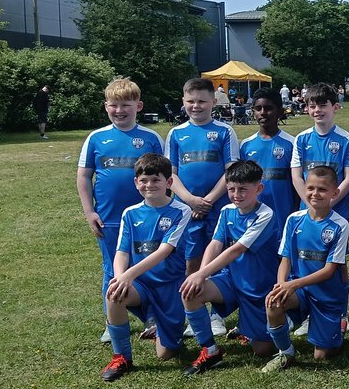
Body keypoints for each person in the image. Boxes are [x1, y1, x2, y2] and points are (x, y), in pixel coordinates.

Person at [78, 78, 165, 343]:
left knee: (146, 265)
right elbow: (84, 177)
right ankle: (112, 321)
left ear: (138, 106)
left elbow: (164, 176)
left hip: (146, 217)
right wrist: (89, 212)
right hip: (109, 218)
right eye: (114, 106)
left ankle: (153, 315)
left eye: (125, 105)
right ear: (106, 107)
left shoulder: (150, 138)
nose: (119, 111)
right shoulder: (96, 138)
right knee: (111, 269)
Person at [179, 160, 282, 375]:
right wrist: (200, 275)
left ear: (259, 189)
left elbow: (236, 250)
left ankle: (262, 324)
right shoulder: (227, 211)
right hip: (231, 280)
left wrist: (202, 273)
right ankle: (210, 350)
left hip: (258, 287)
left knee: (262, 350)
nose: (236, 195)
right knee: (191, 292)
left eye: (243, 189)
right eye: (231, 189)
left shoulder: (266, 214)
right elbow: (216, 243)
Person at [100, 154, 194, 382]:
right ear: (136, 183)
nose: (149, 185)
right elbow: (121, 252)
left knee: (166, 354)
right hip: (142, 284)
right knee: (114, 294)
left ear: (169, 183)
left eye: (155, 180)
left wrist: (129, 275)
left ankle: (163, 327)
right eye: (143, 180)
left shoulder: (181, 211)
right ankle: (121, 357)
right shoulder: (130, 213)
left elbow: (163, 251)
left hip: (169, 287)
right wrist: (121, 278)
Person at [263, 166, 349, 371]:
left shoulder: (340, 225)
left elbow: (330, 270)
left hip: (327, 295)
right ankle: (285, 353)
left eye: (322, 189)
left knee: (321, 356)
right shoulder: (294, 219)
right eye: (310, 188)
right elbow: (285, 258)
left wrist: (292, 284)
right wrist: (282, 285)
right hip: (300, 290)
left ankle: (337, 328)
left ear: (334, 193)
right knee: (274, 303)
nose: (314, 193)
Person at [166, 78, 239, 280]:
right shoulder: (175, 133)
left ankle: (218, 307)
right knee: (191, 259)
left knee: (220, 257)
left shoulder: (225, 131)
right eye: (190, 101)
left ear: (214, 102)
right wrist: (191, 201)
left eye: (202, 101)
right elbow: (170, 173)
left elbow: (231, 170)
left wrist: (208, 201)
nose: (195, 106)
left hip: (218, 206)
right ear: (183, 101)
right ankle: (192, 306)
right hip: (187, 208)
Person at [291, 82, 349, 220]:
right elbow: (297, 176)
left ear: (335, 107)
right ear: (307, 109)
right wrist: (312, 206)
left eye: (322, 105)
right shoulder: (301, 139)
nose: (317, 110)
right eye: (313, 106)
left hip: (336, 211)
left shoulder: (346, 139)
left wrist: (327, 205)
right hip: (308, 211)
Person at [240, 88, 297, 231]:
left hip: (283, 213)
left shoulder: (292, 143)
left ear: (280, 112)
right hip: (254, 216)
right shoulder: (246, 145)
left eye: (268, 108)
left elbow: (297, 182)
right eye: (258, 108)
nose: (263, 112)